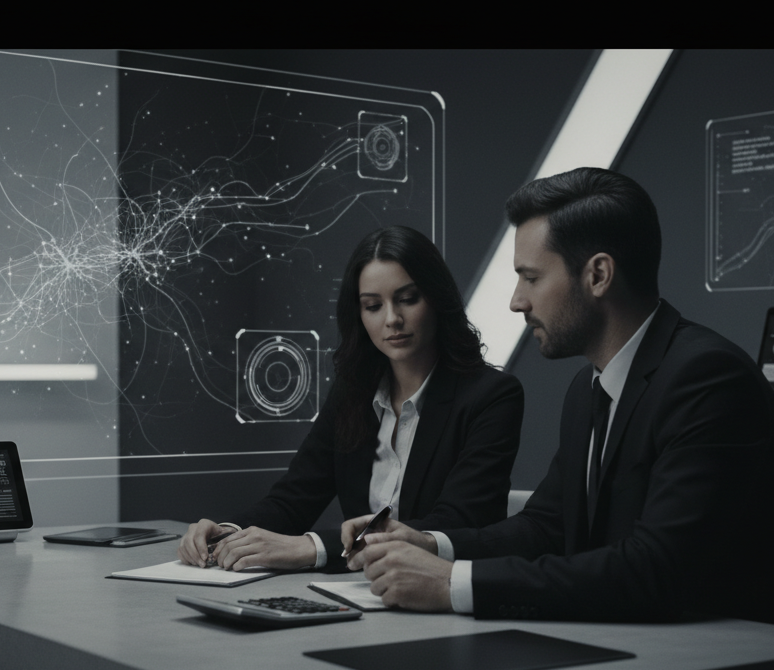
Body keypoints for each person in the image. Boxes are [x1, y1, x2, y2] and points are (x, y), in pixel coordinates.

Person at [344, 168, 774, 629]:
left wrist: (452, 583)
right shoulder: (589, 388)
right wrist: (430, 544)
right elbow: (546, 527)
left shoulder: (709, 380)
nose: (516, 300)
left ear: (598, 275)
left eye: (530, 277)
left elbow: (655, 571)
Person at [176, 226, 524, 572]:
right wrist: (229, 533)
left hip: (437, 595)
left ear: (436, 299)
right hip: (360, 598)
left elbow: (454, 524)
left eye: (408, 299)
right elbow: (294, 498)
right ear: (358, 314)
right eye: (373, 306)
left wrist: (312, 547)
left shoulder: (492, 397)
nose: (392, 320)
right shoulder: (353, 392)